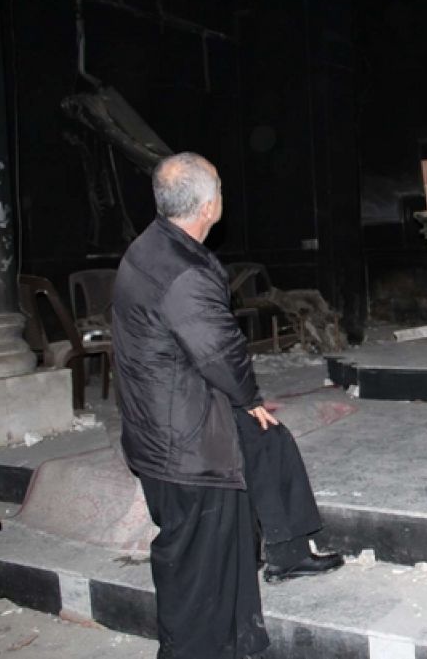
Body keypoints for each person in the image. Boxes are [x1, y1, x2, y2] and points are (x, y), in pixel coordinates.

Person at [111, 151, 342, 659]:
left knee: (268, 439)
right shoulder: (183, 272)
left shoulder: (151, 245)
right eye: (218, 187)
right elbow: (220, 350)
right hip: (184, 441)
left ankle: (287, 552)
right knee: (200, 558)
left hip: (173, 410)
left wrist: (248, 405)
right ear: (210, 205)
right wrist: (247, 396)